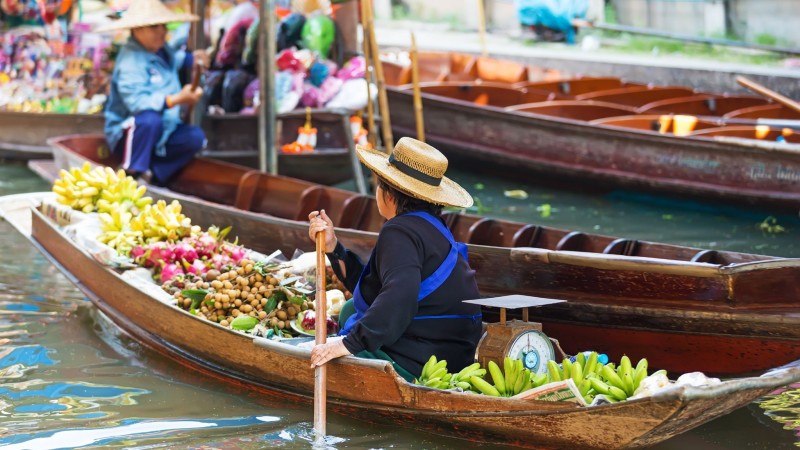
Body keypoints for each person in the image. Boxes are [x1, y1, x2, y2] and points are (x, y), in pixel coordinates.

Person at [307, 137, 482, 381]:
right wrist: (333, 246)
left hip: (423, 361)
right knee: (349, 310)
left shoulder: (398, 231)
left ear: (389, 195)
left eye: (379, 186)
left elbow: (401, 295)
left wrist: (346, 345)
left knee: (349, 323)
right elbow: (374, 288)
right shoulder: (433, 227)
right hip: (455, 352)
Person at [97, 0, 209, 184]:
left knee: (194, 137)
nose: (162, 31)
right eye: (154, 27)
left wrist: (195, 59)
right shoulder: (130, 62)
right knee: (150, 119)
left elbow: (178, 60)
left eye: (163, 26)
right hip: (130, 134)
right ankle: (131, 171)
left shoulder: (162, 51)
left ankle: (152, 174)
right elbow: (138, 103)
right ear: (137, 30)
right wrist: (176, 100)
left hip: (164, 131)